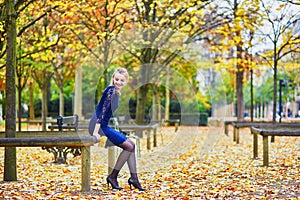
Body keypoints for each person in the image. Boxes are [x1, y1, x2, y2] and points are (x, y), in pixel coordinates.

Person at [89, 68, 145, 191]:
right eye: (117, 79)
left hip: (104, 125)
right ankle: (113, 177)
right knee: (129, 146)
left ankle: (134, 179)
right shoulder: (111, 90)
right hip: (98, 126)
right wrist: (95, 133)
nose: (118, 82)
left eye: (122, 80)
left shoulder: (116, 92)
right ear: (113, 78)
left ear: (126, 81)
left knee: (131, 144)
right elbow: (102, 112)